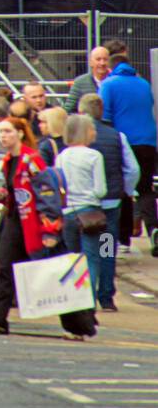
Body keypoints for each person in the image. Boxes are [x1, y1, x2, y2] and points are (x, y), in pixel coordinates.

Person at [0, 119, 96, 340]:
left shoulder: (33, 161)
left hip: (37, 224)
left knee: (57, 273)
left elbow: (47, 193)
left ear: (20, 134)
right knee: (4, 269)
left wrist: (50, 229)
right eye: (1, 132)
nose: (3, 137)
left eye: (8, 132)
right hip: (16, 221)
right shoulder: (5, 162)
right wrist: (3, 195)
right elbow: (14, 191)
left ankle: (79, 325)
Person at [79, 92, 137, 309]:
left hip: (84, 204)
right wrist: (125, 190)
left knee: (87, 250)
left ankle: (86, 296)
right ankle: (106, 295)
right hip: (111, 203)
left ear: (81, 111)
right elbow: (132, 169)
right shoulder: (117, 136)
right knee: (106, 247)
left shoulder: (77, 140)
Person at [101, 49, 158, 256]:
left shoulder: (108, 84)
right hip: (149, 141)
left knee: (121, 190)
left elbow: (104, 114)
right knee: (145, 188)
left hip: (123, 143)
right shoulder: (143, 84)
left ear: (110, 67)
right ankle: (154, 229)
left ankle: (120, 240)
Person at [57, 115, 109, 311]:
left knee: (72, 257)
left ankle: (73, 301)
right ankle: (89, 300)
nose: (95, 132)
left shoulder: (62, 156)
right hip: (89, 211)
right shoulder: (94, 156)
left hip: (68, 210)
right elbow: (100, 190)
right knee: (91, 257)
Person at [65, 46, 113, 118]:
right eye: (98, 59)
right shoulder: (80, 83)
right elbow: (68, 110)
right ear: (91, 62)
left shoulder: (115, 82)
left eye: (105, 59)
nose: (102, 63)